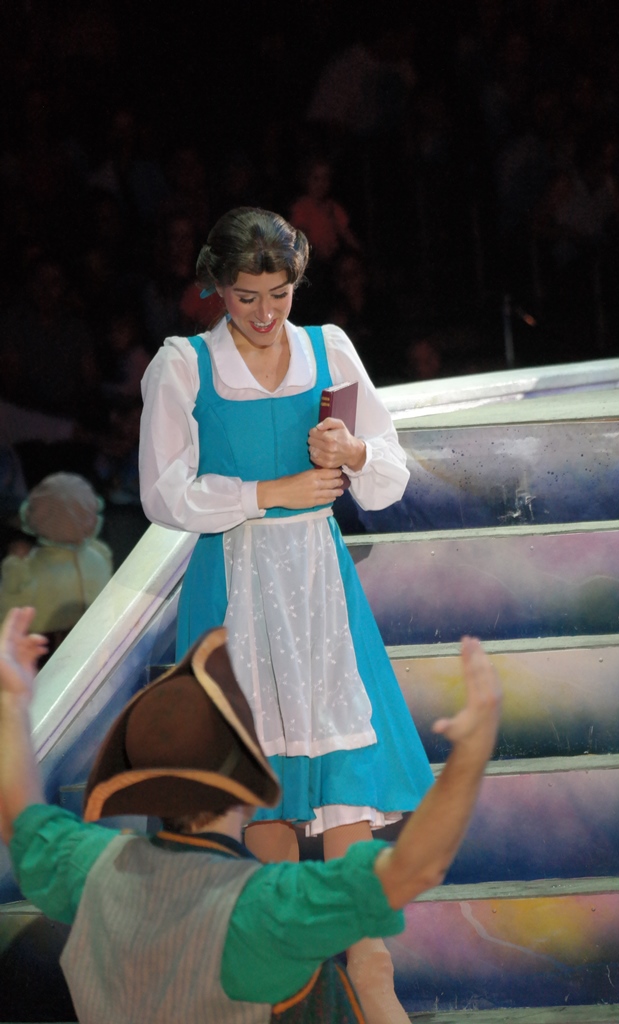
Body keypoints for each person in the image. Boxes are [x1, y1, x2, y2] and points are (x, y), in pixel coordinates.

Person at [138, 206, 435, 1021]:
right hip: (232, 586)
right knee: (260, 780)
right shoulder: (183, 366)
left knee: (343, 775)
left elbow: (389, 471)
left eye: (279, 294)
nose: (265, 313)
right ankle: (291, 986)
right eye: (246, 297)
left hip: (317, 586)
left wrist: (353, 453)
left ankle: (370, 974)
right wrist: (268, 493)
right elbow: (162, 493)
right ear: (216, 288)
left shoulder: (328, 349)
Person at [1, 608, 502, 1022]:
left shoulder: (88, 868)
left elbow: (18, 817)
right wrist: (471, 755)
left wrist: (12, 705)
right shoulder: (269, 906)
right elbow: (416, 868)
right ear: (247, 788)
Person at [0, 473, 112, 658]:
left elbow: (7, 624)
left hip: (45, 659)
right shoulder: (100, 556)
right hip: (99, 652)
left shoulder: (23, 571)